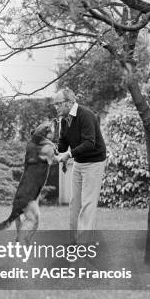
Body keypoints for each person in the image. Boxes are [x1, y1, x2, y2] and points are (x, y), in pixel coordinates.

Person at [53, 88, 106, 237]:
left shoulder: (85, 115)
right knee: (74, 204)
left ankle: (84, 245)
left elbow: (90, 143)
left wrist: (68, 154)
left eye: (58, 104)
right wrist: (53, 150)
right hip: (79, 162)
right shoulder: (64, 120)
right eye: (54, 104)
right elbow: (63, 144)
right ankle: (73, 241)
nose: (56, 107)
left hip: (94, 162)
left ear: (69, 103)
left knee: (88, 204)